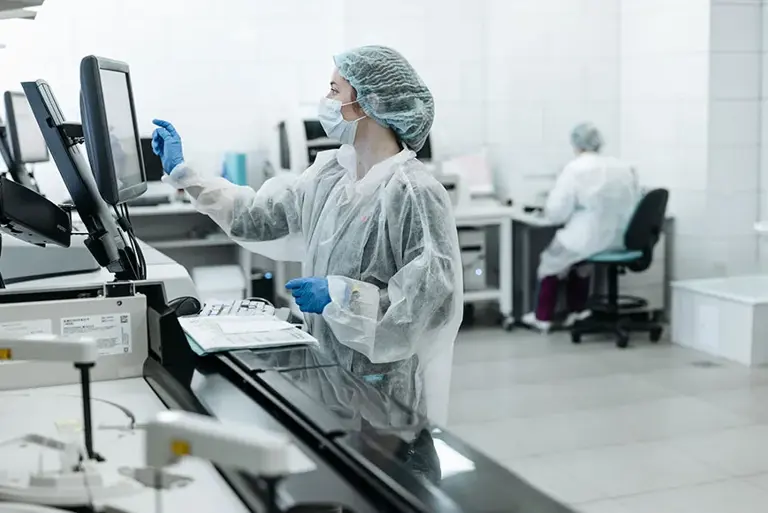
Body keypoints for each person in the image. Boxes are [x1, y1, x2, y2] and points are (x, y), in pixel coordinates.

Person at [151, 45, 463, 425]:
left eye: (335, 90)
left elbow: (430, 304)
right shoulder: (330, 174)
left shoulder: (413, 192)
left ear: (370, 102)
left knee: (383, 476)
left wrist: (341, 295)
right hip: (327, 374)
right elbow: (258, 218)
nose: (326, 101)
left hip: (386, 393)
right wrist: (187, 175)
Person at [522, 123, 641, 333]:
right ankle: (578, 311)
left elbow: (557, 211)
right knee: (581, 265)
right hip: (620, 239)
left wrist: (544, 211)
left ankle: (543, 317)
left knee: (552, 260)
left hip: (588, 238)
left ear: (576, 145)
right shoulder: (621, 167)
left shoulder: (576, 168)